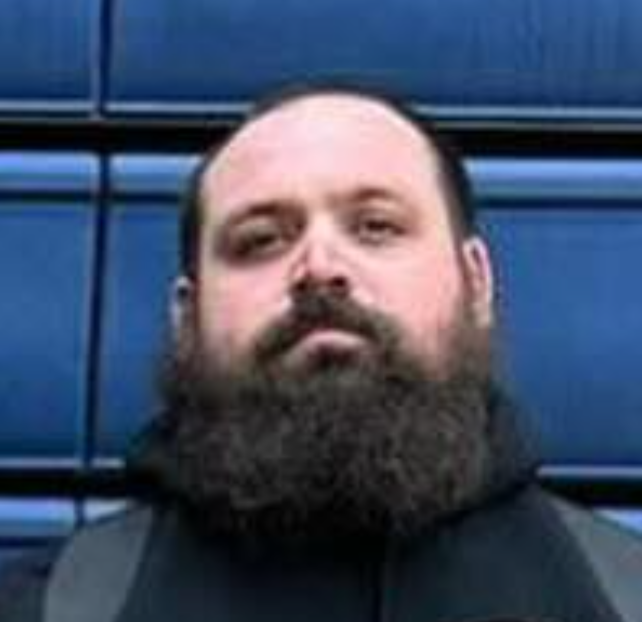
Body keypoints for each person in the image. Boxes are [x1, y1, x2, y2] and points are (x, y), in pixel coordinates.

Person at [2, 85, 642, 622]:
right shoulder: (46, 607)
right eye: (260, 241)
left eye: (376, 227)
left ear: (475, 281)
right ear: (186, 318)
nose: (319, 267)